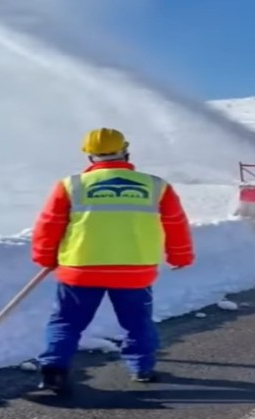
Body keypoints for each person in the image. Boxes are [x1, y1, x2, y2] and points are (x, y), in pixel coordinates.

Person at [30, 127, 195, 393]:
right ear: (125, 150)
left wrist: (45, 257)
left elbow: (49, 225)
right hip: (135, 270)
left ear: (90, 156)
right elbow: (176, 224)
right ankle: (142, 369)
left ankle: (53, 372)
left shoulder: (70, 185)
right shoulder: (155, 186)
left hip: (80, 269)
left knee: (66, 322)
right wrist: (181, 256)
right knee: (137, 322)